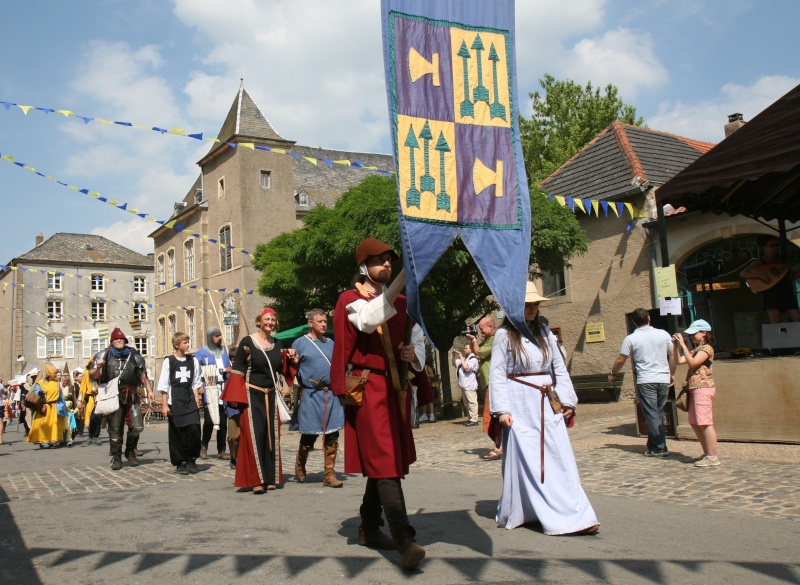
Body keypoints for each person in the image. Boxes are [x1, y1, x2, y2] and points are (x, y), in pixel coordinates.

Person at [330, 237, 429, 570]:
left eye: (390, 260)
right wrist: (406, 273)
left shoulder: (402, 302)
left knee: (384, 462)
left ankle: (369, 526)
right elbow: (369, 320)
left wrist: (413, 355)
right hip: (369, 389)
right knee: (386, 461)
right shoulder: (350, 299)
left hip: (396, 389)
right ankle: (404, 538)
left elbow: (419, 342)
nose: (386, 264)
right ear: (363, 266)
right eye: (380, 260)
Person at [490, 281, 599, 534]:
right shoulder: (504, 335)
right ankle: (534, 510)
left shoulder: (545, 332)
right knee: (528, 458)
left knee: (557, 455)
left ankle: (573, 513)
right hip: (519, 402)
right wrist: (502, 410)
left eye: (535, 304)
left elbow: (558, 366)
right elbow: (497, 373)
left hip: (546, 401)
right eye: (527, 304)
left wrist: (568, 399)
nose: (532, 308)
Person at [220, 308, 297, 493]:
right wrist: (236, 399)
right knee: (255, 435)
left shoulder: (278, 344)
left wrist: (293, 358)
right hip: (251, 395)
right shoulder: (247, 343)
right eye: (267, 319)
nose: (270, 322)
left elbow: (283, 370)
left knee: (271, 436)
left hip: (270, 394)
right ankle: (256, 480)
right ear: (259, 321)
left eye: (273, 319)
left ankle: (270, 478)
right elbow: (238, 370)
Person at [289, 308, 344, 487]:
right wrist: (292, 361)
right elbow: (290, 368)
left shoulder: (331, 344)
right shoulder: (300, 343)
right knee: (309, 435)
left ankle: (329, 474)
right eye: (319, 321)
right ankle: (300, 464)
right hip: (311, 394)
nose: (323, 324)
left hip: (331, 394)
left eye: (325, 321)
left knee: (332, 434)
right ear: (310, 323)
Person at [610, 308, 676, 457]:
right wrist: (671, 373)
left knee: (652, 414)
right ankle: (652, 446)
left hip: (646, 379)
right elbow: (673, 356)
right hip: (663, 377)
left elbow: (621, 359)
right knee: (657, 413)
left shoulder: (631, 338)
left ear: (634, 322)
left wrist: (613, 373)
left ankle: (660, 447)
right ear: (649, 318)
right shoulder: (663, 334)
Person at [87, 327, 154, 470]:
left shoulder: (134, 355)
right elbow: (92, 376)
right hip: (113, 396)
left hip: (131, 395)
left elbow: (143, 375)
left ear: (125, 340)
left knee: (137, 427)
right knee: (115, 430)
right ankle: (117, 458)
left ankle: (130, 452)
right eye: (116, 339)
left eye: (121, 339)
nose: (119, 340)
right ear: (111, 341)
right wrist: (98, 368)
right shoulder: (102, 356)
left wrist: (149, 390)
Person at [672, 319, 720, 467]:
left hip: (703, 387)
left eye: (694, 333)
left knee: (705, 422)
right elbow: (679, 360)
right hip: (694, 389)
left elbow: (692, 363)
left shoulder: (707, 349)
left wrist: (683, 345)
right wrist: (675, 347)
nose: (692, 336)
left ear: (704, 333)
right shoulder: (697, 349)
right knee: (695, 422)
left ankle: (712, 456)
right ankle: (706, 453)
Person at [158, 332, 204, 474]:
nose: (188, 345)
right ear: (177, 345)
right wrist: (165, 405)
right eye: (185, 342)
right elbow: (164, 385)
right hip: (175, 399)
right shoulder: (169, 361)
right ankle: (181, 462)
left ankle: (192, 459)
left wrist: (196, 401)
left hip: (189, 398)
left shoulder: (193, 360)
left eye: (188, 342)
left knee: (194, 429)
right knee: (178, 431)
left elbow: (196, 382)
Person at [739, 235, 800, 323]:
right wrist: (761, 276)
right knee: (775, 320)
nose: (775, 247)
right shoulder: (760, 261)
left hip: (786, 291)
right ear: (764, 247)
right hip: (771, 292)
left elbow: (793, 277)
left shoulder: (782, 260)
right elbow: (743, 273)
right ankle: (776, 337)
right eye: (772, 245)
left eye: (776, 245)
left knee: (797, 318)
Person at [195, 327, 232, 461]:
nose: (219, 338)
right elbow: (196, 372)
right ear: (210, 337)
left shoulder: (224, 351)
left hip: (223, 389)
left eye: (220, 335)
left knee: (223, 421)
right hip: (209, 389)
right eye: (216, 336)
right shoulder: (201, 353)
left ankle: (221, 450)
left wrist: (228, 371)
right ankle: (203, 445)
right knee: (210, 421)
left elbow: (229, 369)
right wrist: (200, 386)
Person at [468, 316, 500, 459]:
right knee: (492, 417)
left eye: (482, 329)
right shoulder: (487, 340)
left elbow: (479, 354)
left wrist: (474, 340)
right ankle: (499, 445)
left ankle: (498, 447)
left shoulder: (494, 339)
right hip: (490, 384)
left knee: (492, 416)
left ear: (491, 327)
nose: (480, 331)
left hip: (494, 384)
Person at [26, 365, 62, 448]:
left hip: (53, 407)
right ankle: (44, 442)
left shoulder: (56, 383)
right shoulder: (41, 383)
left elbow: (60, 396)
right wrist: (40, 392)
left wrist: (62, 407)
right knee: (43, 425)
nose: (56, 375)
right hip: (44, 407)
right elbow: (35, 395)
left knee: (53, 424)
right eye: (54, 373)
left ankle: (53, 441)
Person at [77, 359, 103, 446]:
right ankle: (91, 435)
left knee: (98, 418)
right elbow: (82, 389)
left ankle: (96, 436)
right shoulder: (86, 374)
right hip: (90, 399)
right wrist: (80, 400)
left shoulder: (100, 373)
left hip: (99, 397)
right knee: (91, 417)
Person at [452, 343, 479, 426]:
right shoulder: (465, 359)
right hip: (464, 385)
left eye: (466, 348)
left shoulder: (473, 359)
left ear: (471, 349)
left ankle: (474, 419)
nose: (464, 350)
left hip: (470, 385)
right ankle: (470, 418)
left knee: (472, 402)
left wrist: (460, 356)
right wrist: (453, 355)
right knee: (466, 404)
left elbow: (466, 367)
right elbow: (454, 363)